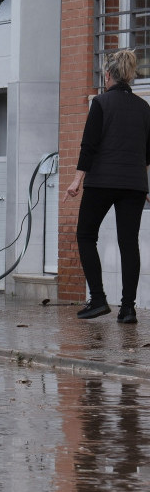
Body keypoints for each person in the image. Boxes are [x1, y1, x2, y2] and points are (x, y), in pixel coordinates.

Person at [65, 49, 150, 323]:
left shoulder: (100, 103)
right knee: (129, 243)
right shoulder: (144, 108)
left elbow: (89, 145)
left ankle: (99, 299)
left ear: (110, 75)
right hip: (134, 185)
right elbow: (149, 151)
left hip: (102, 181)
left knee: (86, 235)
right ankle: (128, 309)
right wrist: (141, 180)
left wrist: (77, 180)